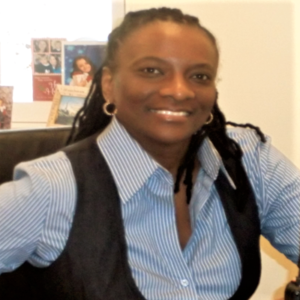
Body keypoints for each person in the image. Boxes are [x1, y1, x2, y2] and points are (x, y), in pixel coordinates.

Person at [0, 7, 299, 300]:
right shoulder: (53, 188)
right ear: (108, 86)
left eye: (199, 76)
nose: (179, 91)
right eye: (152, 71)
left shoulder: (249, 160)